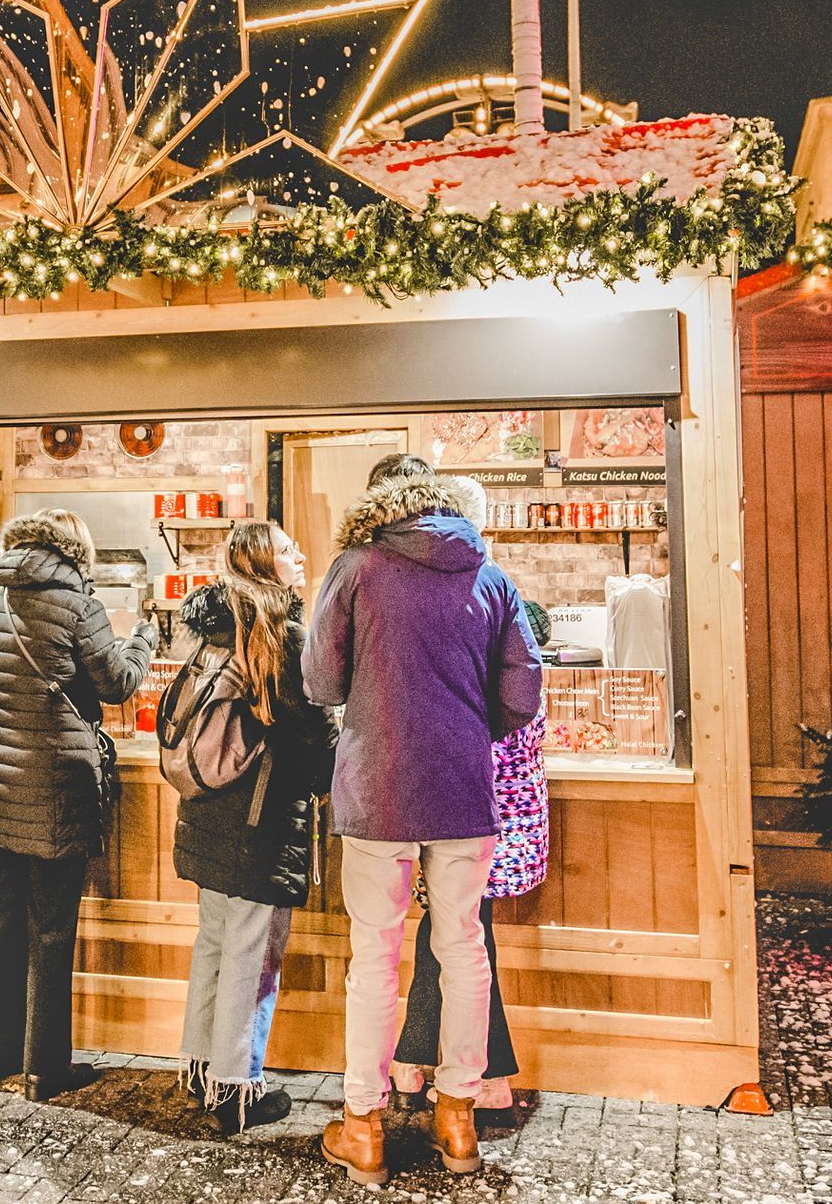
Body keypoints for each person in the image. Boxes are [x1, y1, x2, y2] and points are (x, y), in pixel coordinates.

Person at [303, 465, 543, 1186]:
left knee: (374, 955)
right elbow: (523, 693)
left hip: (377, 790)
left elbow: (318, 679)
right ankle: (457, 1117)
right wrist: (469, 726)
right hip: (464, 790)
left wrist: (375, 699)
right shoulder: (492, 577)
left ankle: (363, 1126)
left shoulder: (355, 566)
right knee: (465, 946)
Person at [0, 508, 158, 1102]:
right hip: (55, 787)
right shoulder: (78, 602)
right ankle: (42, 1069)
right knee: (50, 930)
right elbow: (118, 683)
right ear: (76, 548)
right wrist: (145, 639)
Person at [171, 523, 337, 1134]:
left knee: (214, 947)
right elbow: (311, 737)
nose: (301, 555)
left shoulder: (217, 629)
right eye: (290, 549)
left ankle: (199, 1070)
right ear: (267, 564)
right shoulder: (279, 636)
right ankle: (237, 1089)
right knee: (252, 958)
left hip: (206, 818)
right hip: (257, 823)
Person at [390, 476, 548, 1115]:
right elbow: (523, 694)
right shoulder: (499, 593)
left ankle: (465, 1074)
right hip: (493, 796)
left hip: (465, 794)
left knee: (455, 930)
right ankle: (458, 1072)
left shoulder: (463, 598)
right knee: (458, 930)